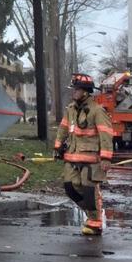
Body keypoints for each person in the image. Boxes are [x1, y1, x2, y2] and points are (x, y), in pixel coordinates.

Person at [53, 74, 114, 236]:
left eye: (77, 89)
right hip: (72, 156)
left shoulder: (97, 111)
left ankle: (95, 221)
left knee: (88, 190)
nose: (74, 92)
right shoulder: (71, 109)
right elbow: (63, 129)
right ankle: (91, 213)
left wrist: (106, 157)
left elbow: (106, 134)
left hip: (91, 159)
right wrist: (58, 146)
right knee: (70, 188)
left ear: (86, 92)